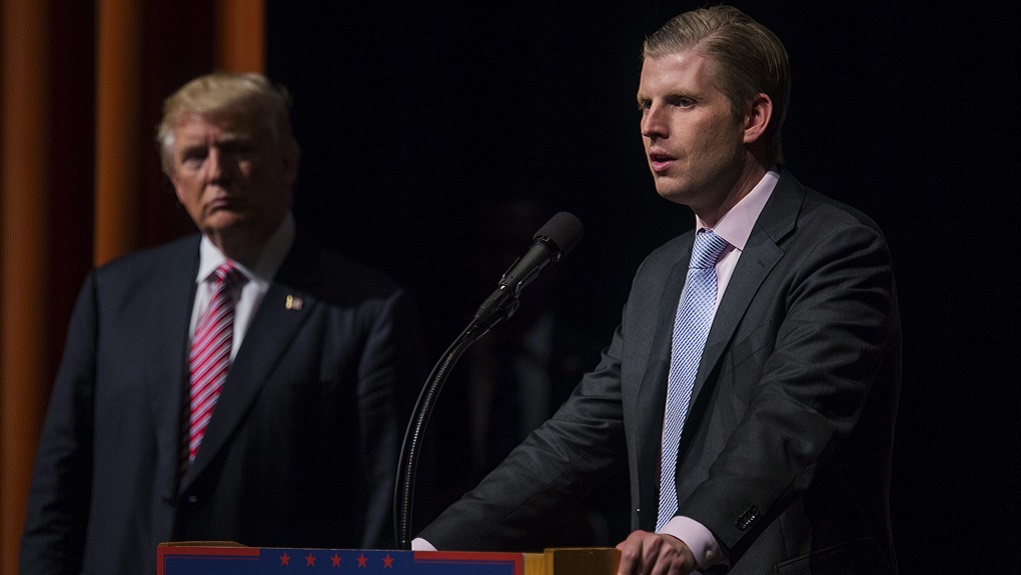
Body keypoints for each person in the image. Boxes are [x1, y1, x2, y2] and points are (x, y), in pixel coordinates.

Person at [415, 6, 901, 575]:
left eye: (683, 102)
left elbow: (791, 421)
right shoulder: (660, 274)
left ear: (753, 117)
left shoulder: (836, 249)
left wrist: (685, 538)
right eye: (645, 104)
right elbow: (573, 440)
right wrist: (424, 553)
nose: (650, 125)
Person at [20, 72, 424, 575]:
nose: (217, 173)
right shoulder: (115, 295)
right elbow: (61, 482)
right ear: (173, 179)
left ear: (288, 164)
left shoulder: (367, 310)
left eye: (238, 150)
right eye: (195, 157)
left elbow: (384, 511)